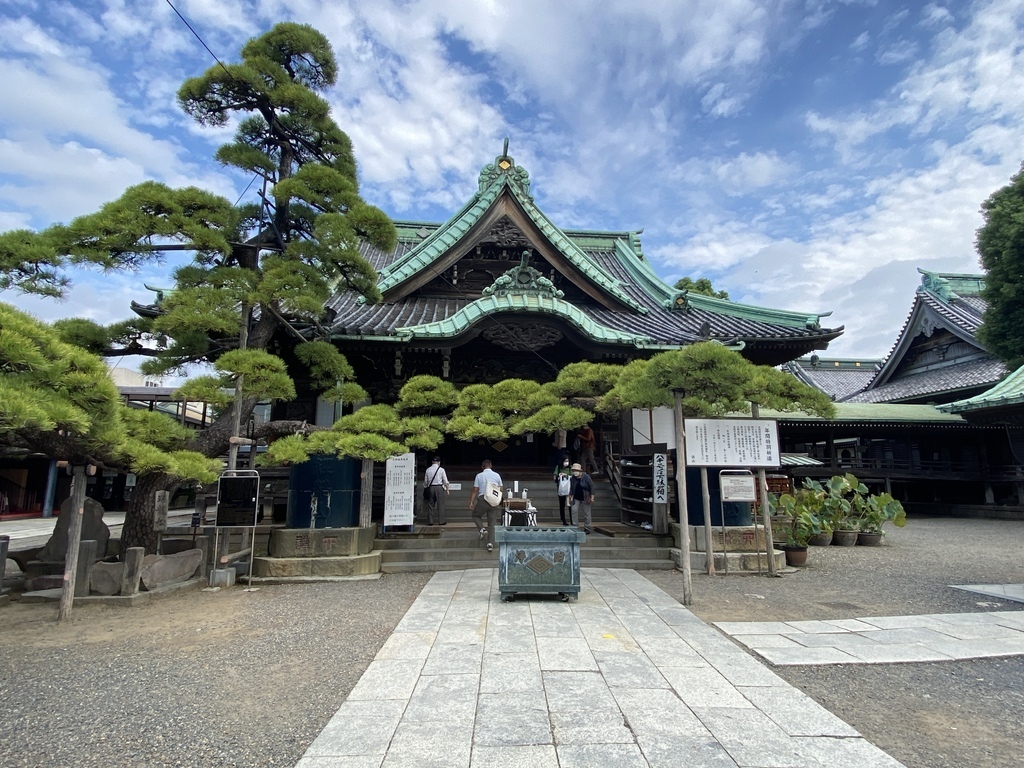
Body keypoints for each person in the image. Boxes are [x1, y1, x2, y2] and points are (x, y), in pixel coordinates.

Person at [468, 459, 502, 552]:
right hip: (493, 501)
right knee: (492, 523)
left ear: (482, 467)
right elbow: (501, 488)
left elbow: (475, 489)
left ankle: (482, 530)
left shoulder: (479, 475)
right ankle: (490, 543)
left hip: (483, 499)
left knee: (475, 515)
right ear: (491, 466)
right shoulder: (496, 475)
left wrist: (471, 502)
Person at [568, 462, 594, 534]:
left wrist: (592, 496)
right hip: (576, 497)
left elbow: (591, 487)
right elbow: (571, 487)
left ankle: (587, 527)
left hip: (585, 496)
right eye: (574, 471)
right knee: (574, 510)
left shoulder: (586, 477)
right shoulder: (573, 478)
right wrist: (570, 496)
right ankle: (575, 526)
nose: (575, 472)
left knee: (587, 513)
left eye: (576, 470)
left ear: (580, 471)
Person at [422, 456, 449, 525]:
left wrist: (426, 487)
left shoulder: (428, 470)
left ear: (432, 462)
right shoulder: (441, 470)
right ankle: (441, 521)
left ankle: (430, 521)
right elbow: (445, 480)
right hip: (439, 487)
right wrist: (447, 489)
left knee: (430, 504)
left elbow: (426, 481)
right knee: (441, 505)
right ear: (439, 462)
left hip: (431, 487)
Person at [553, 454, 573, 525]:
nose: (566, 463)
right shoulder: (558, 468)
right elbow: (555, 477)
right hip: (561, 488)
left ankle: (572, 519)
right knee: (562, 504)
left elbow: (573, 477)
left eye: (567, 461)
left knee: (570, 504)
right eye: (565, 461)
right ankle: (563, 519)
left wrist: (567, 476)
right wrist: (559, 476)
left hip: (569, 489)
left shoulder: (570, 468)